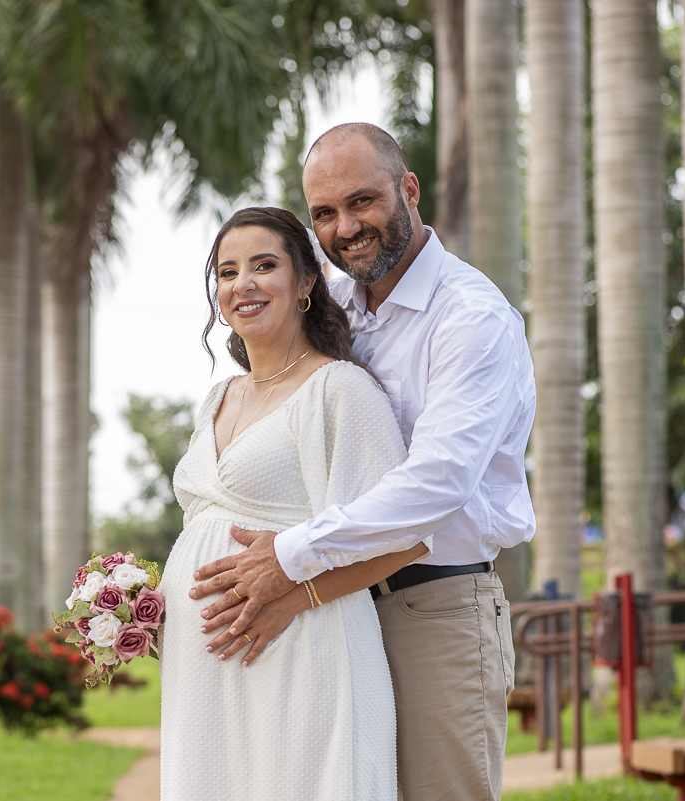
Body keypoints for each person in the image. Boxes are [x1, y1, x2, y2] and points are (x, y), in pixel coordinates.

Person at [190, 123, 536, 800]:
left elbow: (436, 484)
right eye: (324, 213)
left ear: (409, 189)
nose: (345, 228)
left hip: (432, 607)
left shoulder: (471, 317)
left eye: (362, 202)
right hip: (330, 615)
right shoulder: (336, 305)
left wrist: (290, 558)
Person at [157, 206, 431, 800]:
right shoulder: (217, 399)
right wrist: (148, 604)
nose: (243, 284)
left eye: (264, 266)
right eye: (227, 272)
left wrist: (296, 597)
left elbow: (407, 538)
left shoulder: (340, 389)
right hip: (203, 664)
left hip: (302, 646)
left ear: (307, 281)